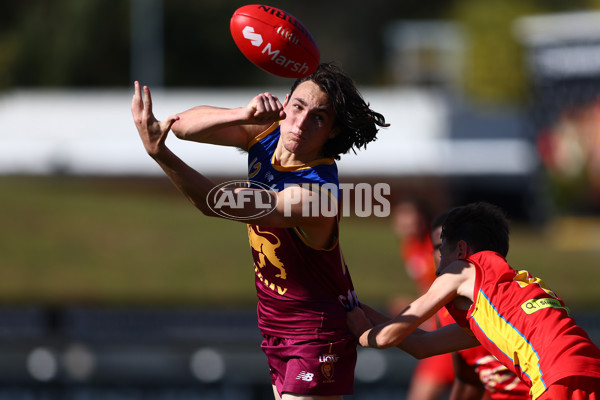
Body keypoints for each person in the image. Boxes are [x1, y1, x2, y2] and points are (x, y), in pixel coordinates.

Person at [131, 62, 389, 400]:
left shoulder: (317, 196)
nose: (301, 123)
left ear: (333, 132)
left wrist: (159, 153)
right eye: (298, 107)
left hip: (315, 332)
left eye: (319, 118)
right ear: (285, 103)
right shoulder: (267, 132)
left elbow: (216, 203)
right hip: (275, 328)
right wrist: (242, 113)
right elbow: (181, 126)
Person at [347, 202, 600, 400]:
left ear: (460, 251)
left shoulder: (464, 268)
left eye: (441, 250)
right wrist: (355, 307)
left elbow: (385, 337)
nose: (438, 267)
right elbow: (422, 345)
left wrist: (360, 331)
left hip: (558, 380)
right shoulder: (499, 302)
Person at [427, 212, 530, 400]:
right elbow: (469, 382)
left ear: (463, 249)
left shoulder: (508, 302)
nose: (441, 256)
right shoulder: (445, 312)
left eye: (445, 248)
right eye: (436, 248)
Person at [390, 200, 454, 400]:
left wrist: (420, 313)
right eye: (403, 216)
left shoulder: (434, 245)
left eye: (412, 215)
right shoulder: (410, 246)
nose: (408, 222)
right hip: (438, 321)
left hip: (448, 323)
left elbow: (445, 287)